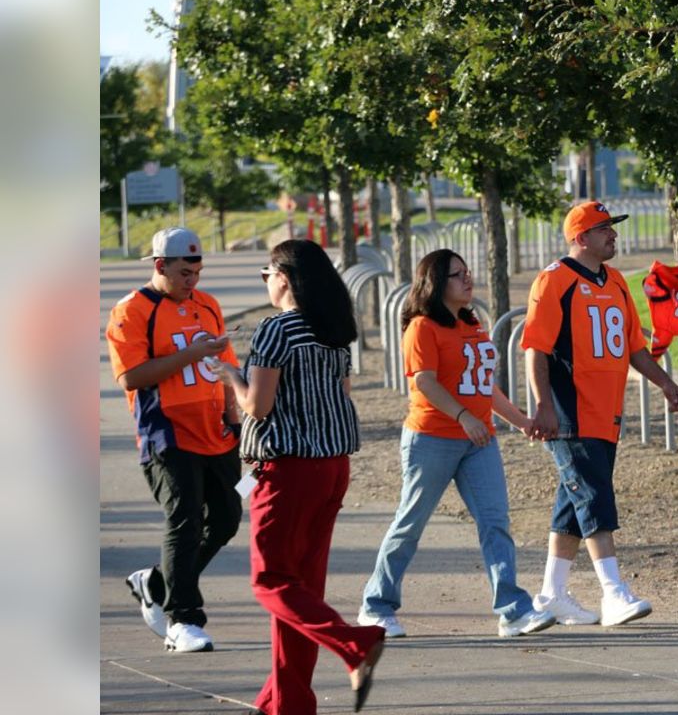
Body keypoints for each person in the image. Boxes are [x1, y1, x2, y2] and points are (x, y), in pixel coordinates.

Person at [210, 239, 385, 714]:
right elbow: (340, 392)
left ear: (283, 277)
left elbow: (258, 406)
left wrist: (230, 376)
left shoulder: (276, 330)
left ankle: (355, 643)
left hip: (288, 469)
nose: (265, 282)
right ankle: (286, 702)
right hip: (332, 467)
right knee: (301, 589)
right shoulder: (333, 330)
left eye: (266, 273)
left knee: (270, 581)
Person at [359, 249, 556, 639]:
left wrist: (522, 422)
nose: (468, 279)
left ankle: (513, 610)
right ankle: (376, 605)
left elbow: (485, 387)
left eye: (467, 272)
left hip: (479, 441)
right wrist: (462, 416)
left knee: (495, 523)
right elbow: (425, 382)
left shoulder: (473, 323)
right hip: (431, 438)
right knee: (410, 524)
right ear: (434, 283)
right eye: (457, 275)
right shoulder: (422, 327)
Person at [522, 201, 678, 627]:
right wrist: (542, 404)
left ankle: (553, 594)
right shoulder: (554, 280)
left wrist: (664, 382)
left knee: (573, 503)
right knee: (594, 496)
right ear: (580, 238)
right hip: (569, 409)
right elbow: (536, 348)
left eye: (612, 228)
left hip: (606, 411)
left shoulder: (614, 281)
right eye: (603, 229)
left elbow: (634, 347)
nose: (613, 235)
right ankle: (614, 591)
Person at [106, 227, 242, 654]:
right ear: (160, 265)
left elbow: (224, 367)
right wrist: (191, 354)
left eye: (197, 271)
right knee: (183, 519)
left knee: (225, 520)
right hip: (166, 430)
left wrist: (235, 419)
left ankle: (156, 582)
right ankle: (183, 619)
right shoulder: (132, 310)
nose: (192, 281)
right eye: (185, 272)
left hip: (214, 430)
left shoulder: (207, 304)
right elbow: (131, 376)